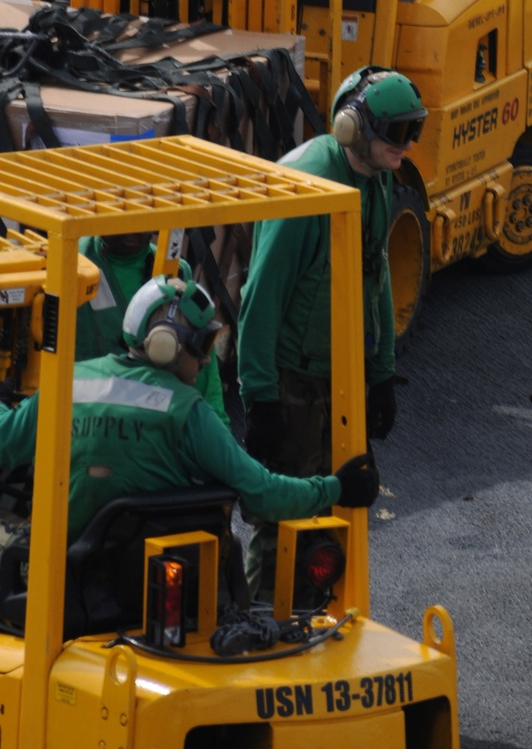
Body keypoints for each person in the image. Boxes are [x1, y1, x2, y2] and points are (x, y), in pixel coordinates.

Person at [0, 275, 379, 552]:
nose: (206, 359)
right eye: (202, 344)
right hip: (146, 586)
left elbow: (5, 441)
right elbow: (264, 493)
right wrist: (336, 488)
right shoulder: (187, 411)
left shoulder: (67, 384)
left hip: (57, 576)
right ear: (166, 345)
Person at [237, 67, 426, 585]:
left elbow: (374, 269)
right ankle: (263, 619)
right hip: (293, 379)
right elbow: (261, 298)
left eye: (414, 130)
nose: (408, 145)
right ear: (352, 128)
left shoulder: (378, 177)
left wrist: (381, 373)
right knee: (283, 521)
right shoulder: (305, 188)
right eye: (398, 132)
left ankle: (319, 617)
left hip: (340, 376)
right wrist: (260, 399)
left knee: (338, 514)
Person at [76, 230, 230, 428]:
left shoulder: (175, 271)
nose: (132, 227)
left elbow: (204, 373)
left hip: (157, 421)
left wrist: (218, 428)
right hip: (91, 419)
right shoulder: (72, 265)